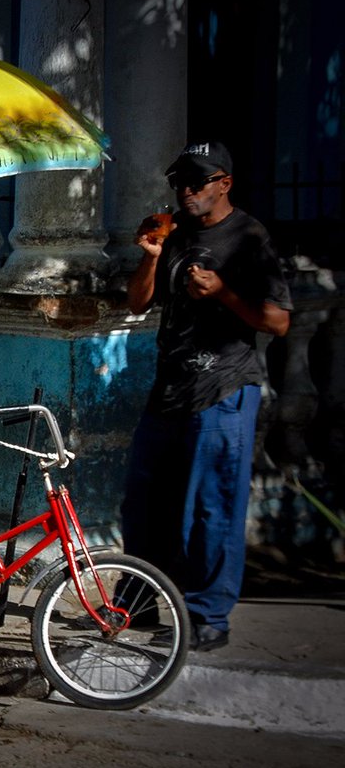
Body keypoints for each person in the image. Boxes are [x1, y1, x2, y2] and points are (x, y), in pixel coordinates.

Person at [120, 140, 291, 652]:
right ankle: (138, 600)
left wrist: (223, 293)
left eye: (197, 182)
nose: (186, 191)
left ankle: (207, 616)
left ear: (225, 183)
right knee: (144, 504)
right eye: (180, 183)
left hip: (224, 390)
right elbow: (137, 303)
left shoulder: (249, 237)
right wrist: (151, 257)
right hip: (169, 389)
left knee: (213, 507)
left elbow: (278, 322)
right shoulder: (174, 233)